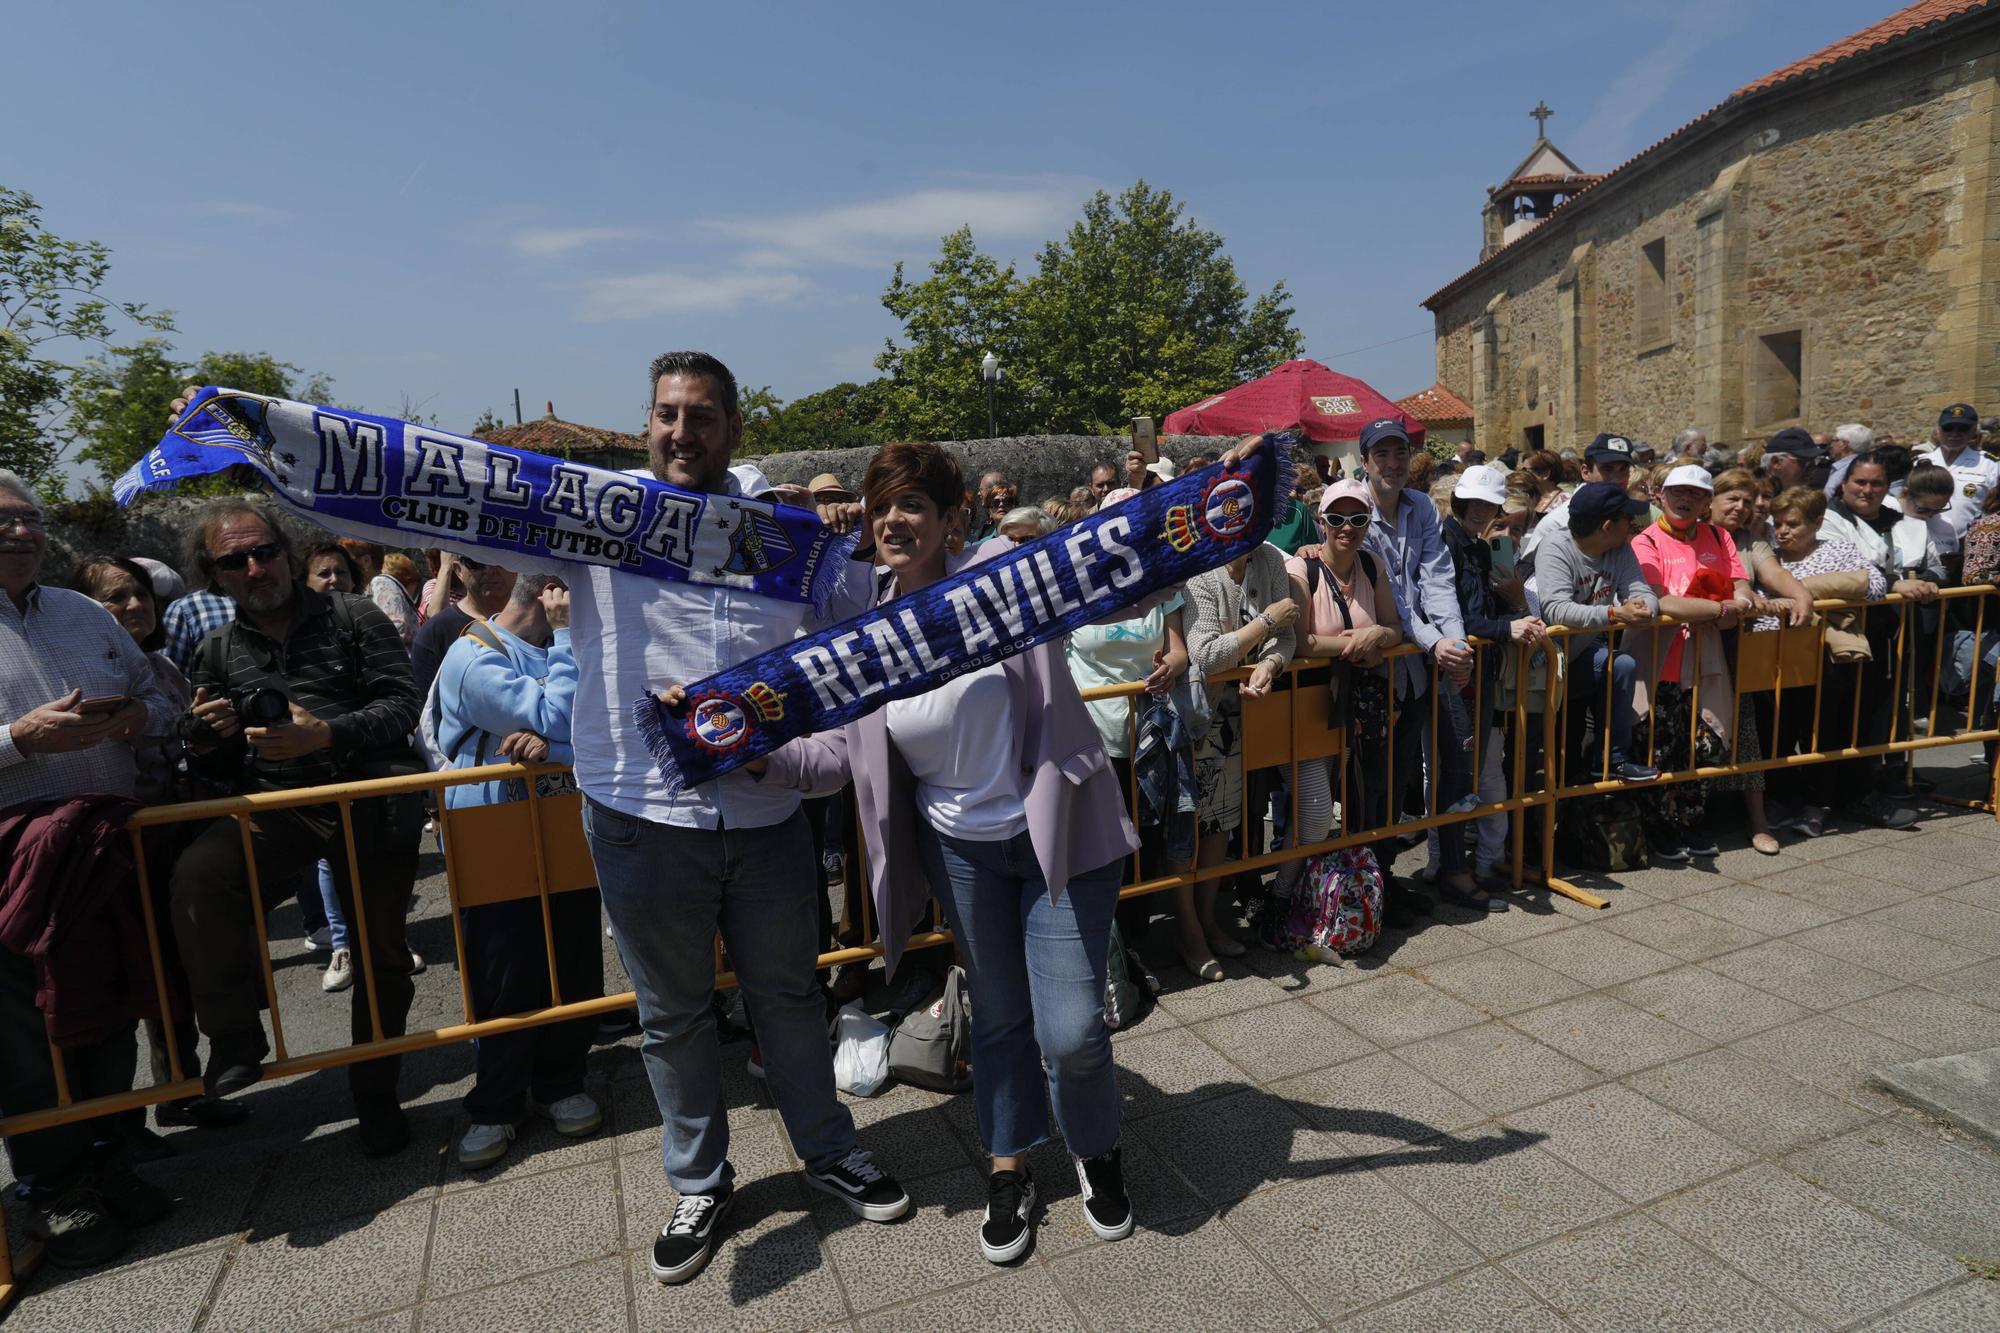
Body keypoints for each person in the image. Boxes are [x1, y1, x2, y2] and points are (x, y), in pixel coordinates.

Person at [747, 438, 1216, 1264]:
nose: (896, 518)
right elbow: (838, 755)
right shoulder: (867, 622)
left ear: (951, 518)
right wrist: (757, 754)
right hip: (960, 851)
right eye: (883, 503)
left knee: (1071, 1029)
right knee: (999, 1017)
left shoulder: (1001, 573)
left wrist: (1200, 515)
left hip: (1059, 836)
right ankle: (1008, 1163)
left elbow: (1120, 589)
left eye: (914, 504)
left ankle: (1097, 1145)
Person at [549, 353, 906, 1287]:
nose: (682, 432)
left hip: (767, 810)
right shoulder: (593, 518)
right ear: (645, 424)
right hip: (638, 812)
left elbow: (864, 610)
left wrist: (850, 536)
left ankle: (827, 1148)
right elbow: (427, 501)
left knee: (789, 996)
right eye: (667, 414)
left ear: (734, 430)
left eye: (702, 417)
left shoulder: (785, 527)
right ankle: (700, 1182)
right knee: (671, 1017)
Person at [166, 494, 425, 1155]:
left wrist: (328, 734)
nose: (254, 567)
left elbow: (403, 704)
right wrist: (203, 738)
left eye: (264, 551)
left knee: (380, 956)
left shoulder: (352, 615)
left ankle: (376, 1095)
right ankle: (235, 1035)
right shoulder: (218, 648)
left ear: (285, 552)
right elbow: (218, 761)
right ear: (214, 573)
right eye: (235, 560)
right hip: (281, 809)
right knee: (201, 873)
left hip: (369, 802)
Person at [0, 471, 179, 1266]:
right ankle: (52, 1183)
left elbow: (162, 700)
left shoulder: (85, 614)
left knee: (109, 1013)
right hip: (13, 875)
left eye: (29, 520)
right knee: (28, 1035)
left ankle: (113, 1157)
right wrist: (18, 741)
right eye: (2, 522)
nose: (20, 534)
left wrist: (141, 716)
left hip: (108, 853)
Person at [68, 556, 250, 1135]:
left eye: (140, 594)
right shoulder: (82, 674)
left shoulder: (165, 666)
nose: (133, 606)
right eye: (115, 597)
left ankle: (182, 1088)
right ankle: (117, 1126)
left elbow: (180, 740)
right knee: (130, 980)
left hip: (173, 835)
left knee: (176, 970)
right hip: (114, 845)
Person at [434, 569, 605, 1169]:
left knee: (573, 952)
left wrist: (551, 749)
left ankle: (563, 1080)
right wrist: (562, 650)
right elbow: (560, 717)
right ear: (552, 596)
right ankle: (497, 1103)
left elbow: (595, 732)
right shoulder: (472, 655)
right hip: (492, 832)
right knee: (505, 964)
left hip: (563, 824)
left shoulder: (566, 648)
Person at [1265, 480, 1404, 935]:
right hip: (1302, 703)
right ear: (1320, 520)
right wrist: (1355, 644)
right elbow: (1300, 642)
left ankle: (1304, 895)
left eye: (1358, 519)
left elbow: (1393, 627)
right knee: (1317, 809)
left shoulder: (1370, 563)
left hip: (1347, 704)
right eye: (1338, 518)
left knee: (1318, 806)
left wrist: (1378, 637)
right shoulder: (1299, 570)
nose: (1348, 528)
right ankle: (1280, 897)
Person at [1355, 418, 1474, 921]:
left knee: (1412, 768)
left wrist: (1455, 639)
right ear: (1365, 460)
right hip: (1375, 667)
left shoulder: (1421, 505)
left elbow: (1436, 576)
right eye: (1382, 454)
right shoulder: (1354, 509)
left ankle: (1411, 874)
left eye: (1400, 453)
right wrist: (1436, 641)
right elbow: (1393, 601)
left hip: (1418, 665)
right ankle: (1369, 884)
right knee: (1373, 782)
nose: (1393, 463)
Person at [1629, 465, 1759, 861]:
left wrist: (1741, 602)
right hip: (1659, 661)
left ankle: (1690, 823)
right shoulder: (1645, 541)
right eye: (1677, 492)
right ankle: (1658, 828)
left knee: (1701, 746)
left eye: (1696, 494)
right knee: (1656, 747)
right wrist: (1722, 608)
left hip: (1706, 658)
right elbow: (1662, 601)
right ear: (1660, 496)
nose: (1685, 499)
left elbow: (1741, 586)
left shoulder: (1719, 536)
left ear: (1707, 502)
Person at [1184, 524, 1297, 977]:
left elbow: (1287, 640)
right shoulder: (1201, 571)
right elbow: (1206, 656)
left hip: (1240, 717)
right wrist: (1266, 621)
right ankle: (1187, 930)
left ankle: (1209, 920)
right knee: (1185, 830)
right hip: (1195, 720)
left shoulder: (1269, 559)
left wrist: (1269, 664)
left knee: (1220, 824)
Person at [1755, 487, 1889, 835]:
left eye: (1793, 524)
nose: (1783, 531)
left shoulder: (1839, 549)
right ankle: (1780, 799)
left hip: (1829, 660)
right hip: (1775, 655)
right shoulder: (1768, 554)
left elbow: (1874, 585)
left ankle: (1818, 803)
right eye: (1778, 523)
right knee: (1777, 732)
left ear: (1817, 522)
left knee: (1824, 731)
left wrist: (1803, 590)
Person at [1437, 466, 1545, 894]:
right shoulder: (1445, 542)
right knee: (1456, 775)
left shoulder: (1480, 548)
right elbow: (1455, 616)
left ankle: (1456, 868)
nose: (1482, 510)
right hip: (1453, 672)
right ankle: (1452, 871)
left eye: (1490, 504)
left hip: (1475, 671)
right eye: (1476, 502)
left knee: (1467, 773)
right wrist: (1507, 628)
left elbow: (1484, 612)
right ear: (1460, 500)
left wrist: (1519, 610)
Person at [1813, 455, 1935, 828]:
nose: (1867, 490)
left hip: (1883, 633)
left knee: (1873, 715)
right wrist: (1896, 581)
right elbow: (1843, 570)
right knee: (1833, 718)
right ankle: (1827, 796)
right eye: (1860, 482)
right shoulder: (1826, 519)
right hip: (1837, 635)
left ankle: (1860, 791)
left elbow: (1930, 564)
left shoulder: (1901, 522)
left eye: (1876, 484)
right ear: (1844, 483)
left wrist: (1925, 579)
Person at [1705, 470, 1813, 854]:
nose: (1741, 507)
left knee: (1745, 730)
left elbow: (1775, 573)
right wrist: (1749, 597)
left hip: (1738, 649)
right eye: (1732, 498)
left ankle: (1758, 821)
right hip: (1691, 649)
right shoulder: (1693, 537)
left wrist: (1801, 597)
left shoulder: (1752, 540)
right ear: (1711, 500)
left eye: (1748, 502)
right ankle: (1693, 819)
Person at [1534, 481, 1662, 785]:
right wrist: (1615, 613)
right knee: (1550, 760)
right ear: (1607, 526)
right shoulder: (1555, 547)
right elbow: (1556, 610)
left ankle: (1614, 759)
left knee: (1622, 666)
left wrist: (1645, 608)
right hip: (1547, 664)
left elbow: (1643, 591)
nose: (1634, 523)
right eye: (1627, 518)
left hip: (1583, 652)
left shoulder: (1619, 548)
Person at [1519, 433, 1638, 576]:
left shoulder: (1635, 511)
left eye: (1623, 469)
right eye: (1607, 470)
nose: (1618, 479)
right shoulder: (1557, 524)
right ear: (1586, 472)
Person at [410, 553, 518, 701]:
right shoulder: (436, 632)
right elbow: (428, 711)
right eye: (477, 561)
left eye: (501, 558)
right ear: (458, 570)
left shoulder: (542, 622)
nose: (490, 569)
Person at [1915, 403, 1999, 541]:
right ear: (1938, 430)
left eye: (1963, 428)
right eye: (1948, 427)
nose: (1955, 433)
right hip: (1924, 544)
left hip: (1970, 546)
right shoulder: (1918, 463)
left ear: (1973, 432)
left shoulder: (1990, 465)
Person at [339, 539, 419, 646]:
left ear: (366, 561)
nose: (343, 568)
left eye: (347, 562)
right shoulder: (371, 588)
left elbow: (397, 629)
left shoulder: (380, 583)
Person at [1764, 427, 1828, 497]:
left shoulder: (1812, 504)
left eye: (1813, 461)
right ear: (1776, 463)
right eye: (1804, 462)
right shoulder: (1757, 503)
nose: (1812, 468)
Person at [972, 470, 1015, 543]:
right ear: (989, 509)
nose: (1001, 505)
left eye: (1007, 501)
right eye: (995, 503)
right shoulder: (981, 545)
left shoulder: (1029, 535)